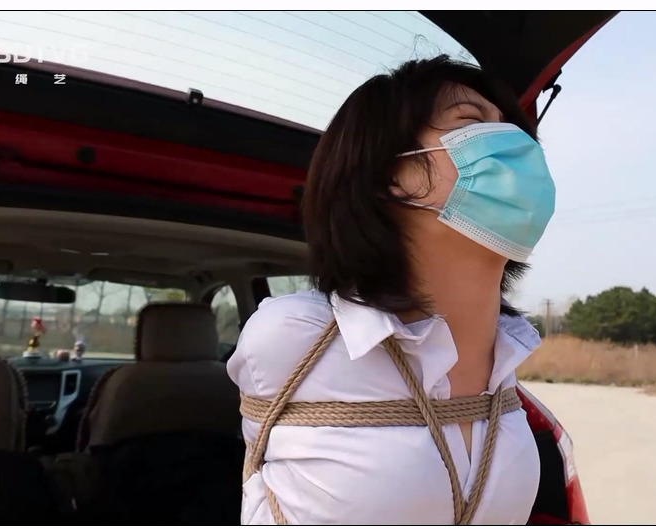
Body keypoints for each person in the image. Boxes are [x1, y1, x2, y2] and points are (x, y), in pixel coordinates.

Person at [227, 55, 556, 525]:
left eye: (513, 130)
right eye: (472, 122)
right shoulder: (294, 337)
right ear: (390, 175)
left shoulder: (508, 356)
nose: (514, 146)